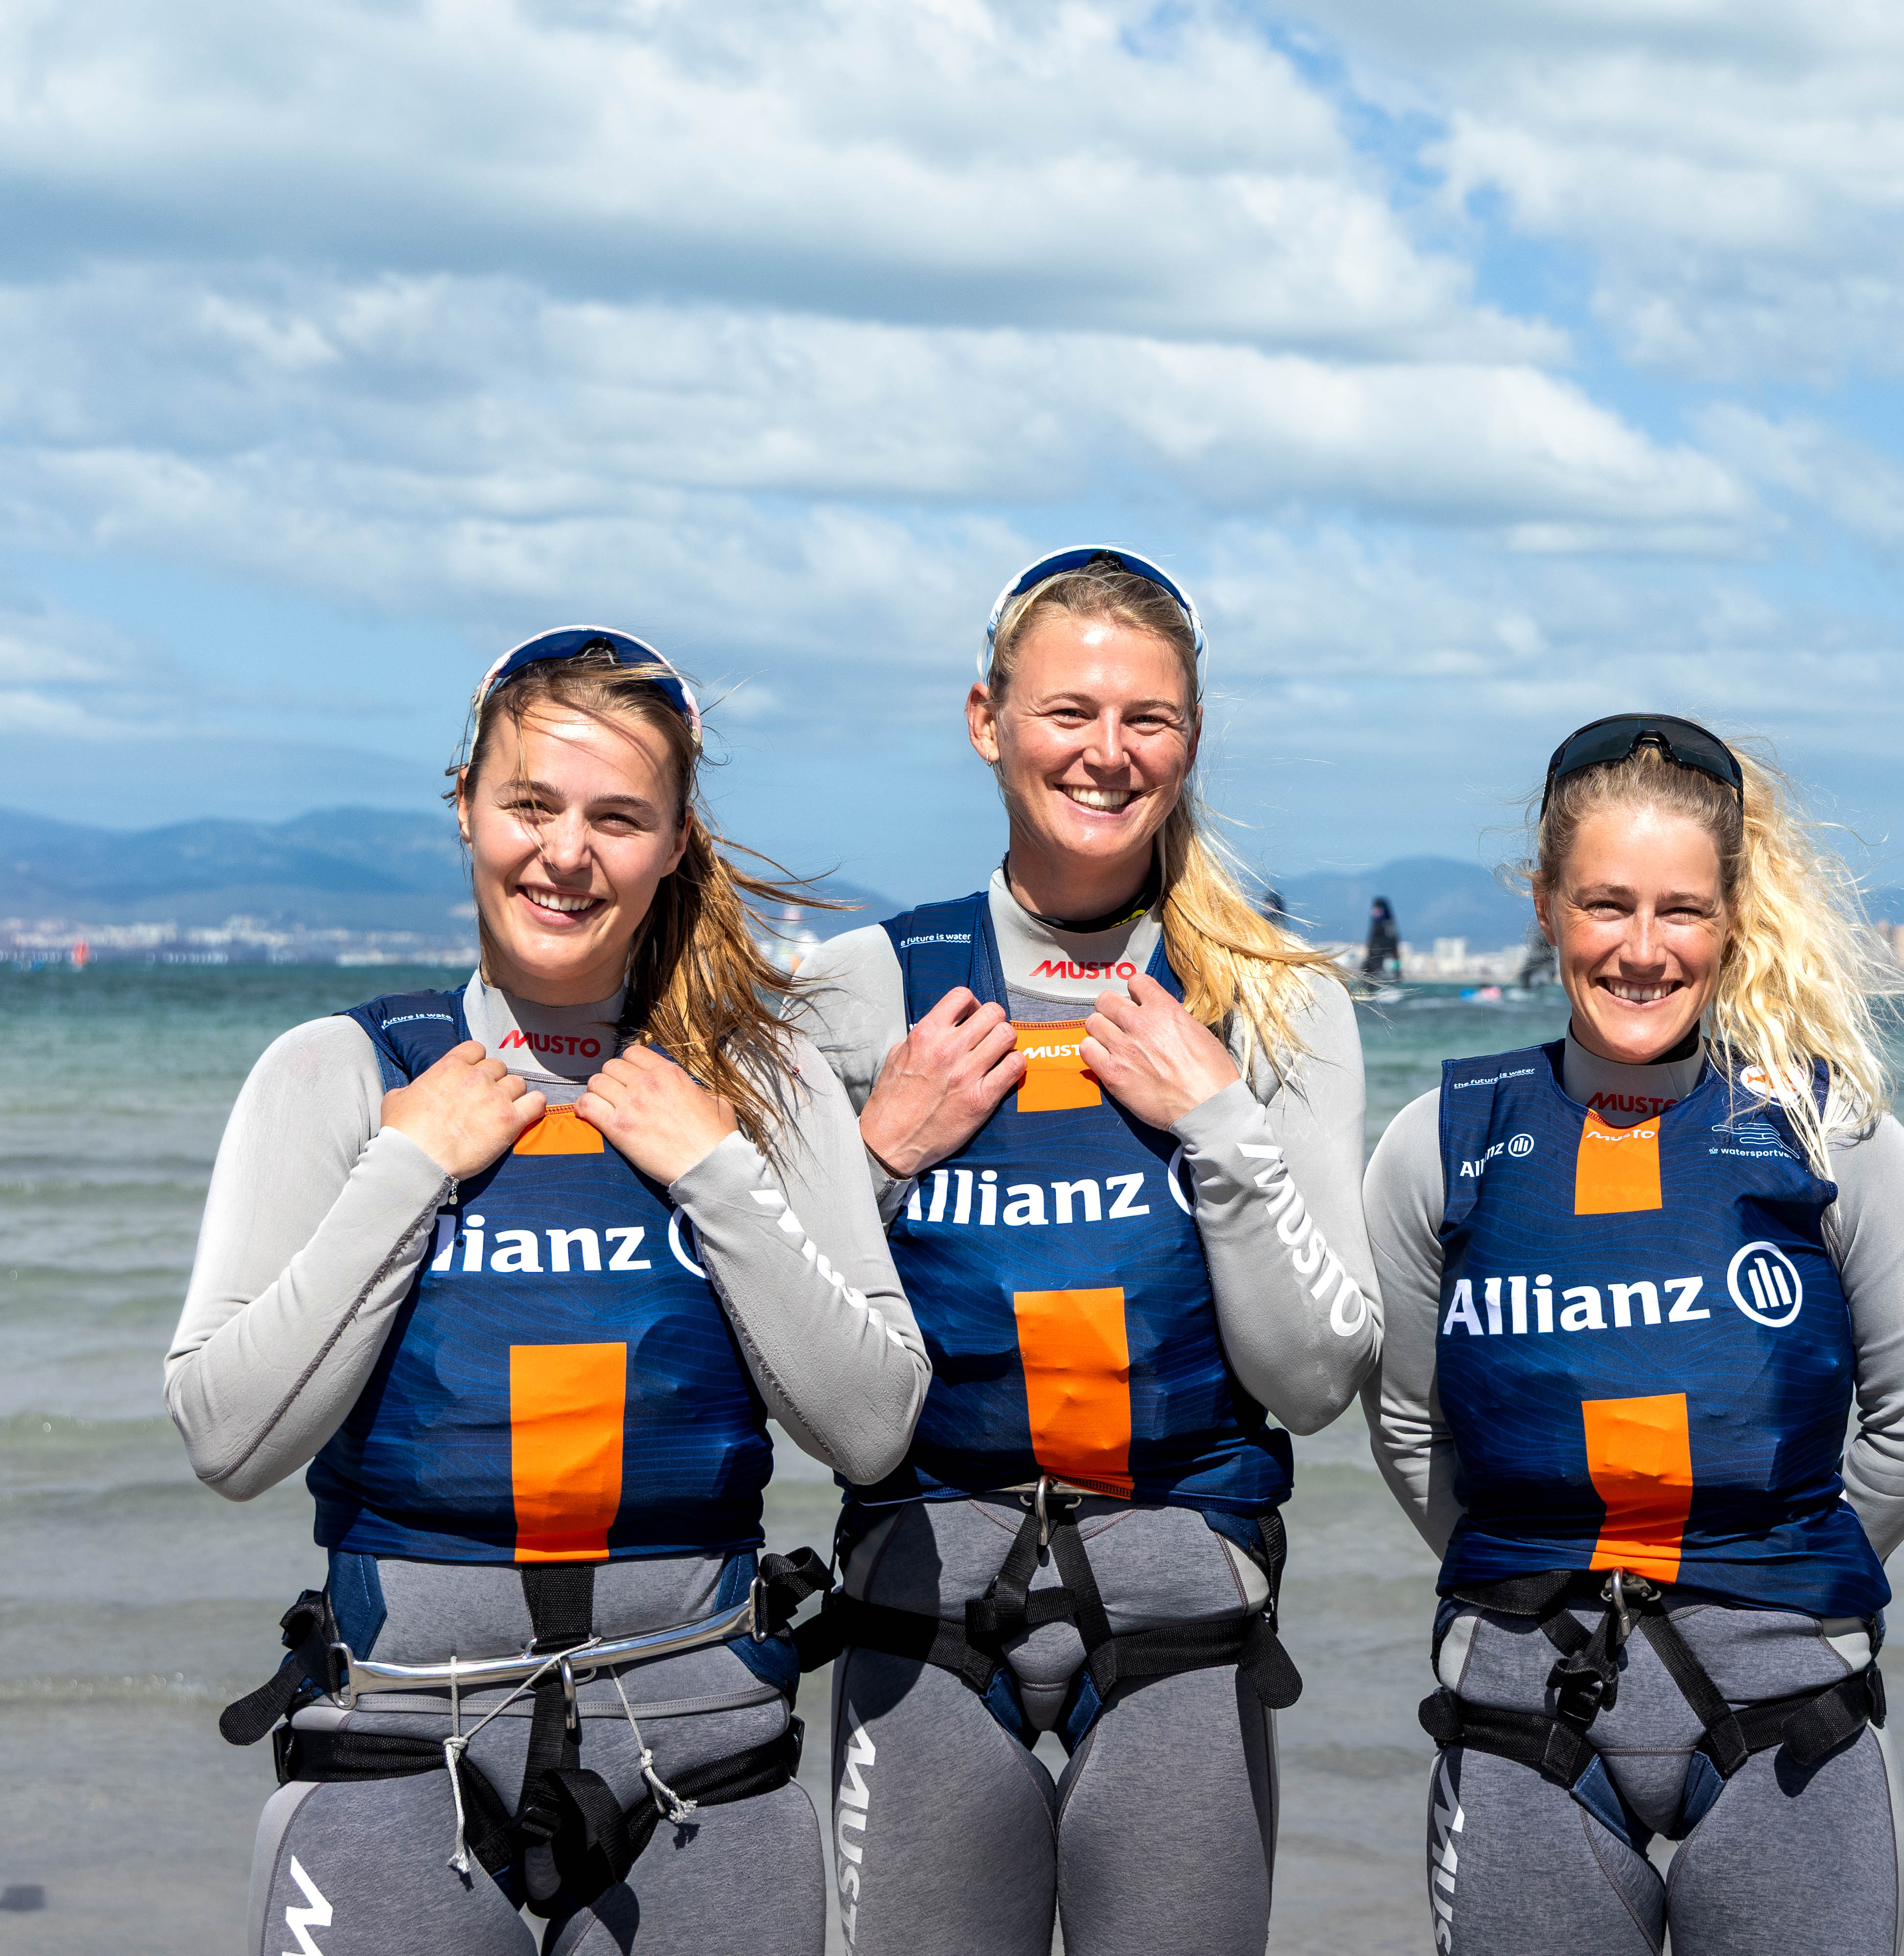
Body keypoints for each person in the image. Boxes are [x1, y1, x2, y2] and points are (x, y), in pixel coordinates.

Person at [177, 630, 928, 1952]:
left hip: (705, 1763)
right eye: (531, 804)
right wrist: (408, 1167)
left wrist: (717, 1175)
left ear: (677, 841)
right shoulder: (341, 1074)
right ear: (464, 801)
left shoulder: (764, 1083)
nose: (565, 854)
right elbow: (227, 1438)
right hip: (403, 1742)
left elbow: (870, 1428)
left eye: (617, 818)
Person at [788, 546, 1377, 1956]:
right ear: (987, 718)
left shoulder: (1272, 1002)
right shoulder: (857, 990)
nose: (1107, 754)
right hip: (920, 1608)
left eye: (1147, 720)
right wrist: (883, 1152)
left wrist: (1220, 1125)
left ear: (1191, 741)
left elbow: (1313, 1378)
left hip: (1182, 1610)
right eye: (1068, 712)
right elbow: (792, 1374)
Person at [1363, 713, 1904, 1956]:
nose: (1643, 951)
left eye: (1682, 910)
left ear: (1734, 914)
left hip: (1787, 1702)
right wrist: (1548, 1554)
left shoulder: (1826, 1134)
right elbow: (1410, 1418)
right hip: (1524, 1704)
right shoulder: (1442, 1137)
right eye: (1606, 905)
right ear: (1544, 904)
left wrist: (1774, 1574)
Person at [1364, 896, 1402, 985]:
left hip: (1381, 959)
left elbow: (1393, 945)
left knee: (1376, 975)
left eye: (1377, 909)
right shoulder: (1380, 923)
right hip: (1374, 958)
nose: (1374, 911)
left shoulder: (1386, 924)